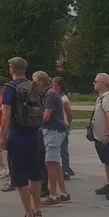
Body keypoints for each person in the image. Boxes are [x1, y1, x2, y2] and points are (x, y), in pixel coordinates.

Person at [0, 57, 42, 217]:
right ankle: (37, 210)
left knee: (19, 177)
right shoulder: (33, 85)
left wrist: (2, 136)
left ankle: (28, 215)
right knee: (35, 175)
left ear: (12, 68)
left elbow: (6, 115)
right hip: (35, 136)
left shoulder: (9, 88)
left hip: (17, 137)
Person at [33, 71, 70, 206]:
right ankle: (63, 193)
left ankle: (53, 196)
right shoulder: (50, 94)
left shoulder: (50, 94)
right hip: (54, 131)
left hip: (53, 131)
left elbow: (46, 116)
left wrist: (34, 123)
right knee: (55, 164)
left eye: (34, 82)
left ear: (41, 82)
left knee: (50, 163)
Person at [52, 76, 74, 179]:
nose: (54, 87)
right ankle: (61, 168)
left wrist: (68, 125)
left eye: (56, 86)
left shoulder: (63, 99)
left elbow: (69, 114)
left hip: (63, 125)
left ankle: (66, 170)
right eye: (53, 85)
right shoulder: (53, 97)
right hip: (55, 126)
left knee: (63, 149)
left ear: (61, 86)